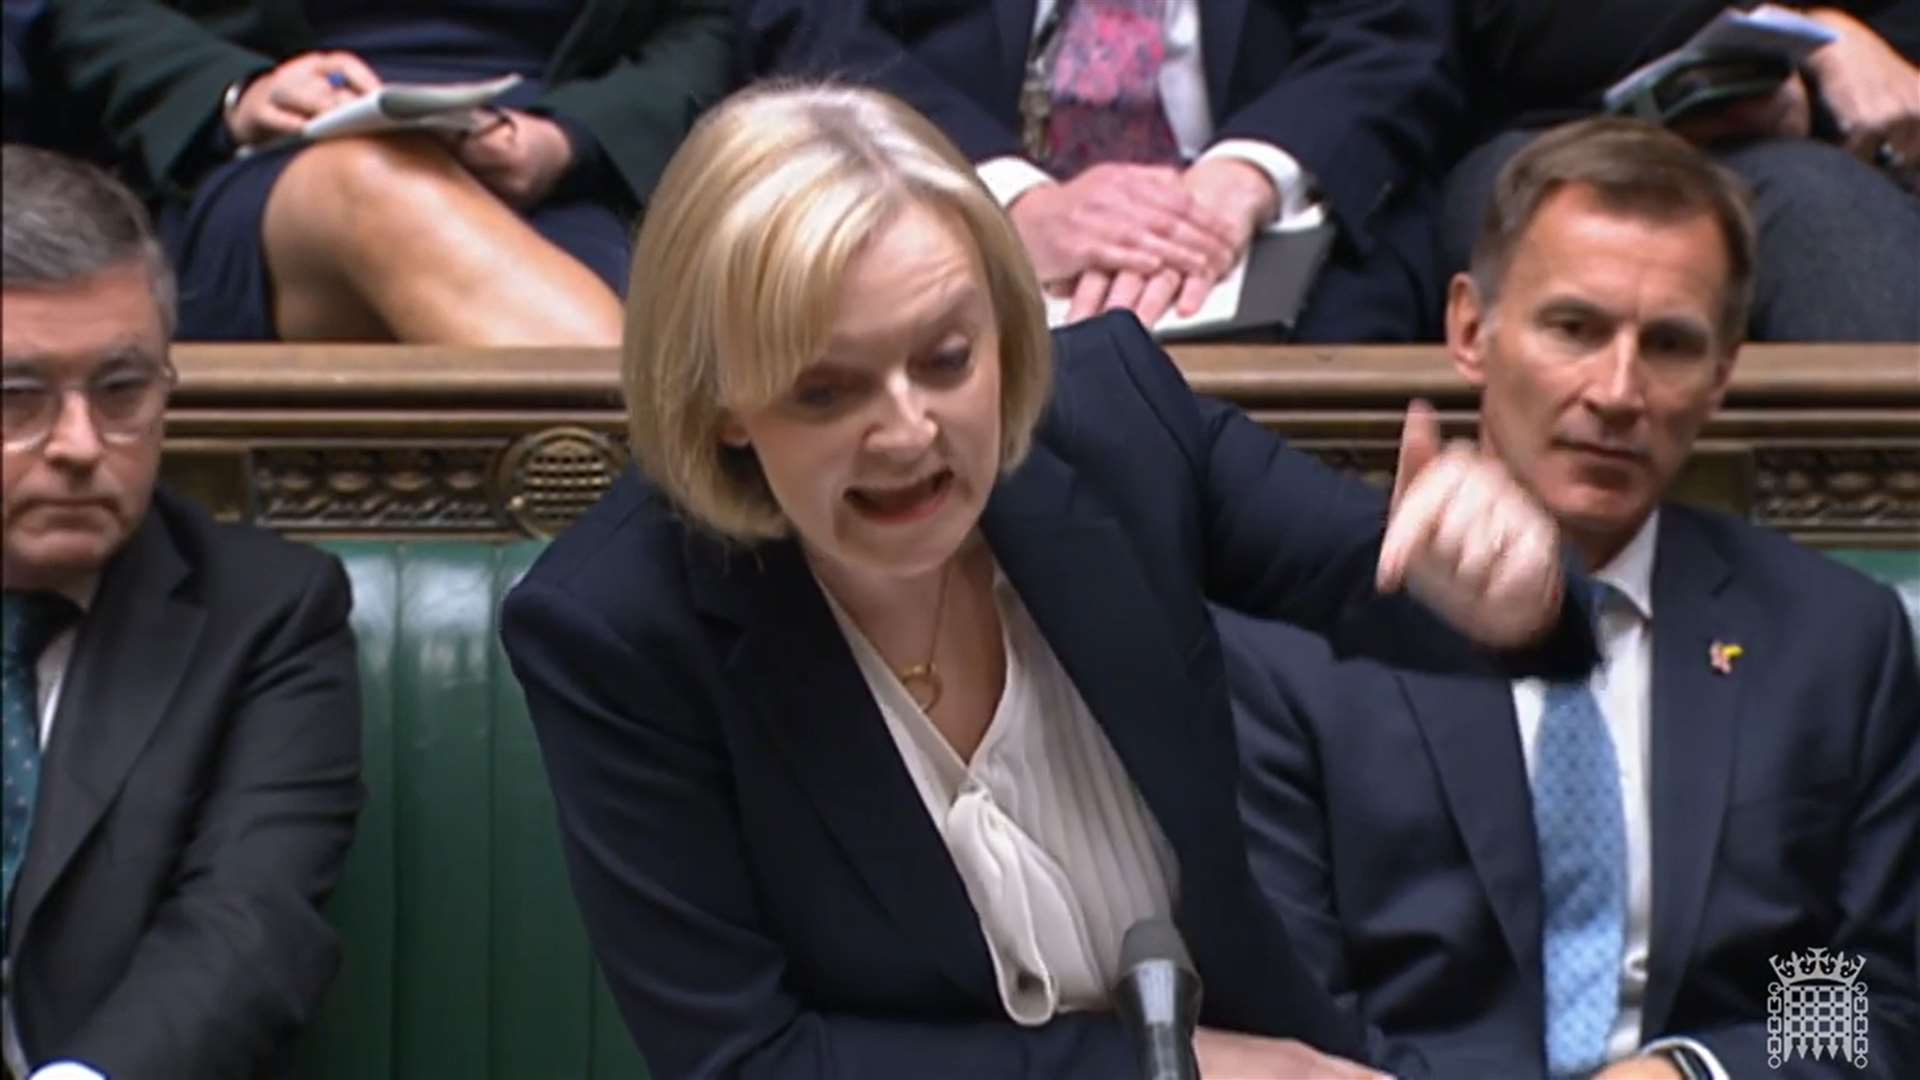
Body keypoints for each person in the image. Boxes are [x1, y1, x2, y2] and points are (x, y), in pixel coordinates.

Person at [499, 81, 1604, 1079]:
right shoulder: (618, 624)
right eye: (826, 391)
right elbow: (746, 1061)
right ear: (724, 400)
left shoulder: (1113, 417)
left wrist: (1511, 586)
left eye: (946, 357)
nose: (907, 433)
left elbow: (1401, 586)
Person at [1223, 117, 1920, 1080]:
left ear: (1722, 374)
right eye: (1575, 329)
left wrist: (1692, 1075)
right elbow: (1291, 1025)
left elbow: (1849, 1001)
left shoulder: (1830, 642)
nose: (1618, 390)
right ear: (1471, 329)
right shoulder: (1296, 637)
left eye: (1670, 344)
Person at [1, 145, 364, 1079]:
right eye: (17, 399)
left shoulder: (269, 615)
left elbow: (250, 928)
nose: (81, 445)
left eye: (121, 391)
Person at [741, 0, 1462, 341]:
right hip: (953, 185)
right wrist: (1000, 197)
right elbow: (810, 25)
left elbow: (1396, 32)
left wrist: (1243, 178)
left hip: (1268, 206)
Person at [34, 0, 730, 344]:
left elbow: (706, 24)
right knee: (376, 183)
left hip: (548, 167)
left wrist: (567, 139)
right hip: (271, 160)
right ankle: (685, 519)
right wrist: (237, 93)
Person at [1441, 0, 1920, 341]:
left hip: (1799, 144)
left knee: (1831, 215)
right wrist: (1804, 32)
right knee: (1559, 232)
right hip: (1556, 127)